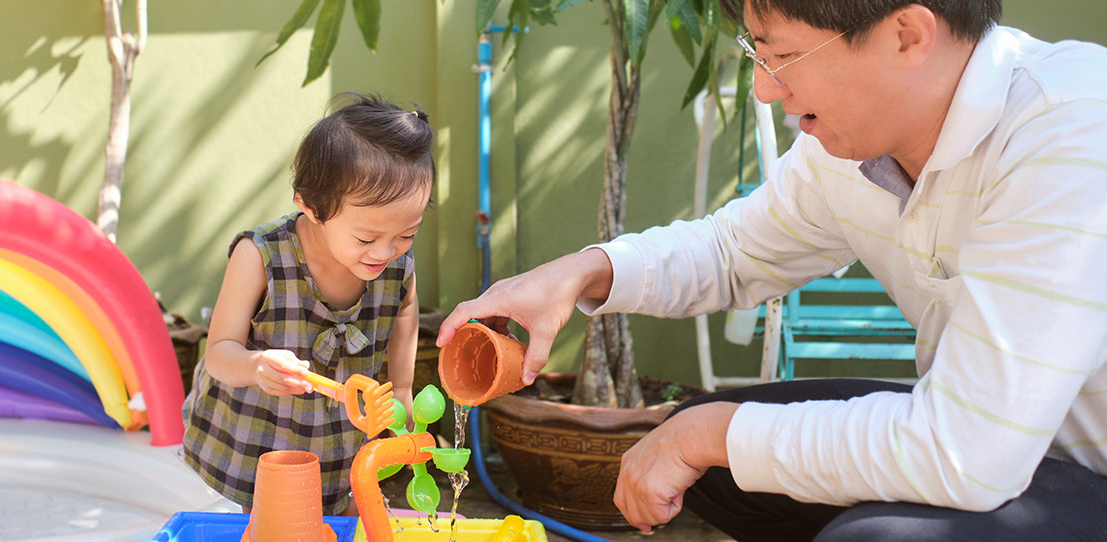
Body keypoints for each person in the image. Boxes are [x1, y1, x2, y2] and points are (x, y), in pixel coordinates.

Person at [437, 1, 1107, 540]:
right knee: (710, 464)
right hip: (999, 450)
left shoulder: (1071, 132)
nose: (764, 86)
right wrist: (584, 273)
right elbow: (735, 251)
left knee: (868, 533)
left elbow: (968, 452)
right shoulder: (850, 148)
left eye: (784, 55)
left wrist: (710, 433)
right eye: (758, 53)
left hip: (1066, 469)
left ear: (907, 35)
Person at [182, 93, 433, 516]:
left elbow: (405, 314)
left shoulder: (397, 266)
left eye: (407, 234)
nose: (388, 251)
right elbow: (220, 352)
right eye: (367, 238)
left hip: (339, 447)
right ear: (311, 207)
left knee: (335, 520)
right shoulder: (260, 257)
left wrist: (403, 392)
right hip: (251, 447)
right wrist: (255, 366)